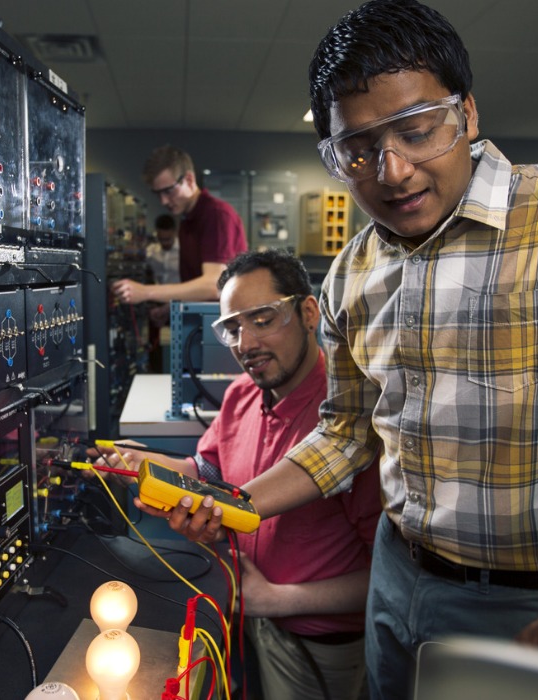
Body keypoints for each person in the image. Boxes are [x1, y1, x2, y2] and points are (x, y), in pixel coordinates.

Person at [135, 2, 538, 698]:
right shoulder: (353, 272)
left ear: (467, 115)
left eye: (416, 133)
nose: (391, 171)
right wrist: (235, 500)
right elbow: (347, 432)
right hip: (397, 573)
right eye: (356, 151)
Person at [103, 250, 381, 700]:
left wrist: (276, 598)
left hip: (314, 638)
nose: (245, 343)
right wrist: (146, 468)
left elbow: (386, 573)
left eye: (263, 319)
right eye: (232, 328)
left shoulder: (347, 419)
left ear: (308, 312)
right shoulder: (241, 395)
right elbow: (210, 472)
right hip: (237, 612)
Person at [111, 145, 247, 305]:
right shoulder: (187, 220)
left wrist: (146, 291)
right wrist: (169, 308)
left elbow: (214, 285)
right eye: (158, 194)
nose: (163, 201)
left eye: (168, 191)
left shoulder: (216, 214)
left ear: (189, 179)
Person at [145, 213, 181, 286]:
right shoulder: (152, 251)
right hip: (159, 294)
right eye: (161, 239)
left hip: (180, 294)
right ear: (157, 234)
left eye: (168, 239)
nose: (165, 243)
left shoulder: (184, 251)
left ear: (175, 233)